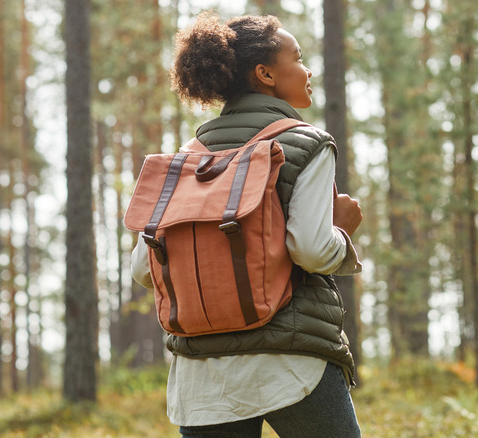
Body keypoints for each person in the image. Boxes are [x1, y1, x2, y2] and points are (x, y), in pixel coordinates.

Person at [130, 12, 363, 438]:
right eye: (298, 58)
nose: (308, 70)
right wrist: (342, 231)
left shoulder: (186, 159)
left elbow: (143, 269)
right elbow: (312, 250)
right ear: (265, 74)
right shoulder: (305, 143)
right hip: (291, 361)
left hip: (202, 378)